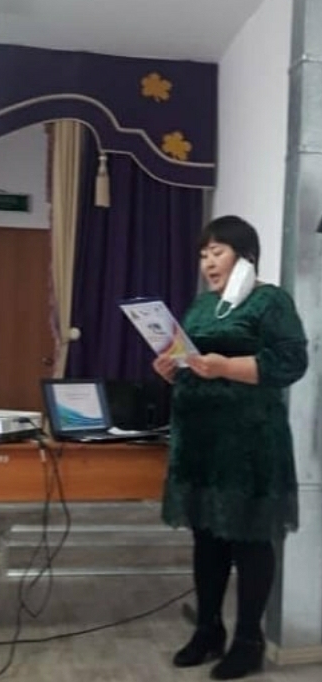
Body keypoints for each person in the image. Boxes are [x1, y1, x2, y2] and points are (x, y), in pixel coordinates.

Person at [153, 215, 308, 680]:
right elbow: (192, 362)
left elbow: (290, 363)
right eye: (203, 254)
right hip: (199, 443)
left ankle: (248, 641)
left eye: (217, 252)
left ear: (245, 255)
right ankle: (208, 631)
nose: (208, 262)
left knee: (250, 541)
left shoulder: (270, 300)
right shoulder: (202, 305)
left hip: (249, 446)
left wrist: (226, 367)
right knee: (207, 539)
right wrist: (171, 368)